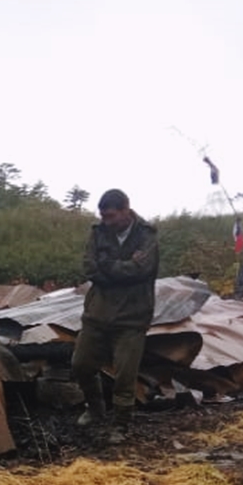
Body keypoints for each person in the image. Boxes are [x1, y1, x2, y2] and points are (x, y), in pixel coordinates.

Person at [71, 188, 160, 444]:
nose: (106, 222)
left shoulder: (146, 235)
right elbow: (90, 267)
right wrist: (122, 269)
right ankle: (95, 408)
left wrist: (108, 267)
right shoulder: (97, 233)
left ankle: (121, 424)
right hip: (97, 312)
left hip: (132, 316)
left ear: (126, 210)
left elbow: (142, 269)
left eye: (111, 216)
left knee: (124, 373)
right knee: (81, 364)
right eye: (103, 217)